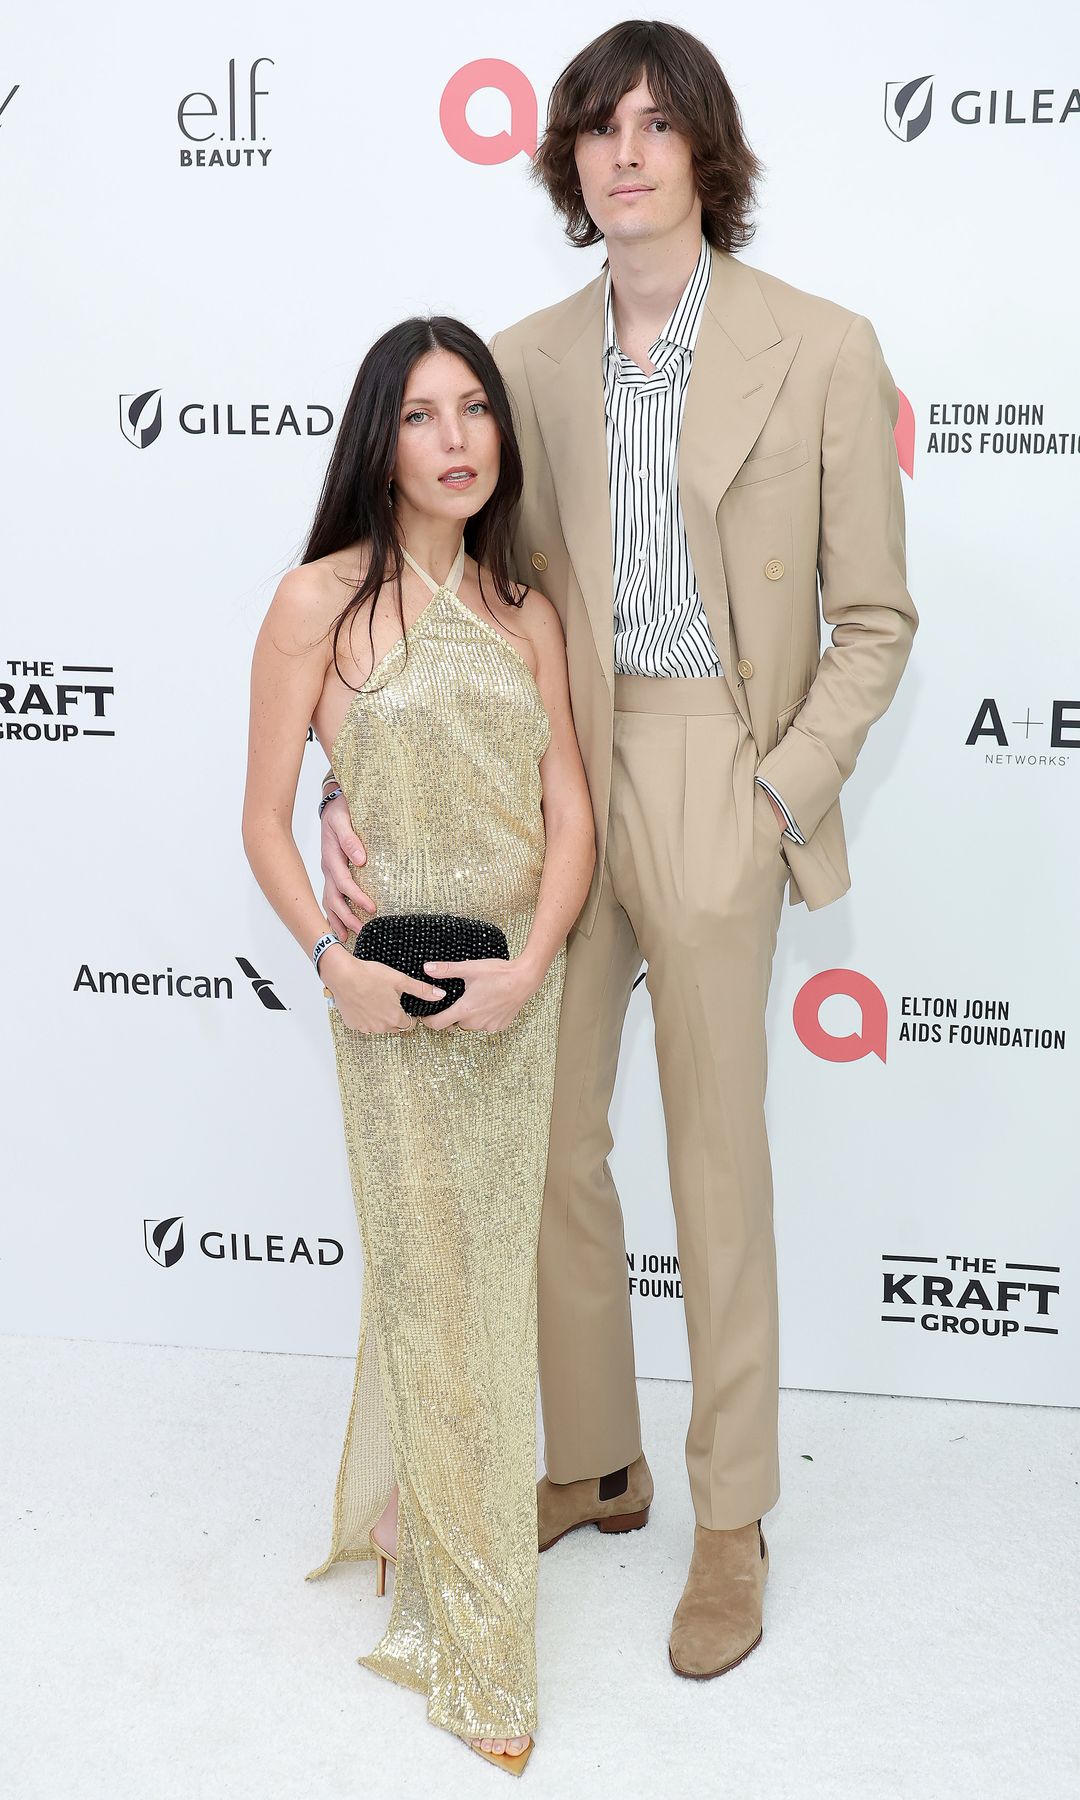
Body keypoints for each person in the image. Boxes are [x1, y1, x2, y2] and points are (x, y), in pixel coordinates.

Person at [319, 21, 918, 1684]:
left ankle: (732, 1520)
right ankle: (596, 1457)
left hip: (723, 769)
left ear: (706, 154)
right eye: (599, 128)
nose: (629, 152)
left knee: (717, 1170)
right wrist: (344, 777)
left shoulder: (821, 346)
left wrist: (780, 792)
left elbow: (873, 620)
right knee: (551, 1144)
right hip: (556, 778)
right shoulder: (520, 360)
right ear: (568, 163)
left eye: (661, 125)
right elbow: (427, 581)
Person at [241, 315, 594, 1772]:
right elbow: (267, 815)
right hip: (385, 994)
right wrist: (331, 964)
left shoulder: (526, 607)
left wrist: (537, 967)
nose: (456, 440)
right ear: (378, 439)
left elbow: (569, 808)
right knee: (428, 1279)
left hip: (517, 990)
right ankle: (479, 1643)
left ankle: (426, 1535)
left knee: (483, 1296)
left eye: (477, 413)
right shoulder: (315, 602)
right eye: (422, 416)